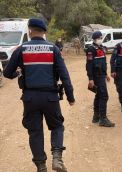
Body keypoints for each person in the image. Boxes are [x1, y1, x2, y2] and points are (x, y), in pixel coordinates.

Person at [3, 18, 75, 172]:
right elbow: (64, 75)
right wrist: (70, 96)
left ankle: (41, 166)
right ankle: (57, 159)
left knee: (35, 132)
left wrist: (18, 72)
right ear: (44, 32)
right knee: (57, 126)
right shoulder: (53, 49)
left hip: (30, 98)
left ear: (30, 30)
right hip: (50, 98)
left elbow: (8, 73)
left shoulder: (21, 49)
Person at [86, 31, 115, 127]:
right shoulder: (91, 49)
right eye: (99, 38)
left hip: (102, 75)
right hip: (96, 76)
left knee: (99, 95)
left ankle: (96, 116)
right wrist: (90, 79)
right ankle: (103, 119)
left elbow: (103, 63)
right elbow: (89, 65)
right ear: (94, 39)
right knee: (104, 96)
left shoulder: (101, 48)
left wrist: (106, 74)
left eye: (101, 38)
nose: (100, 39)